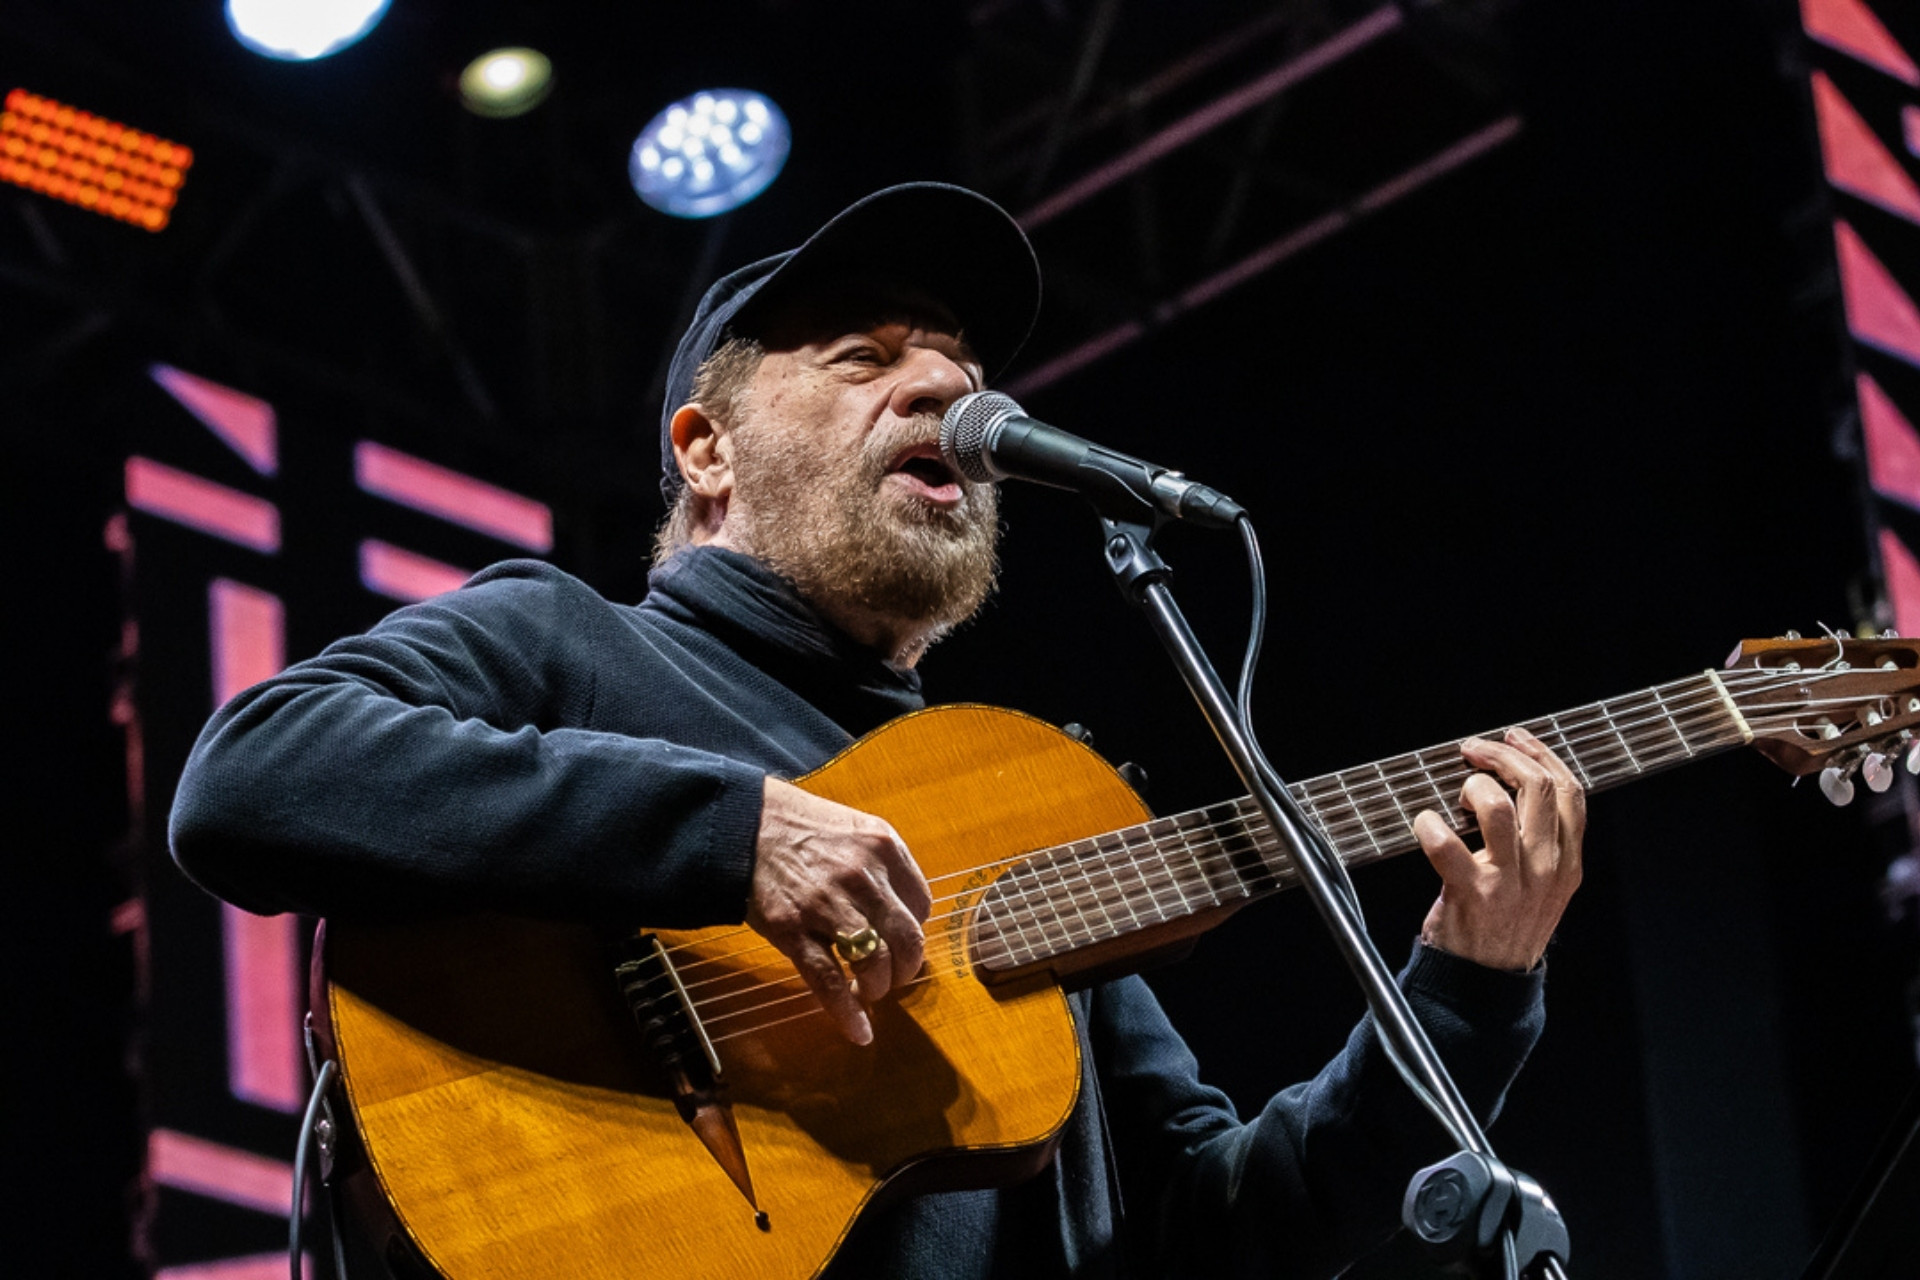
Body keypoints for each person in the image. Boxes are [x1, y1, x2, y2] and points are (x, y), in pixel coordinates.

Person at [170, 182, 1584, 1279]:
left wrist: (1464, 1000)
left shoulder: (1020, 793)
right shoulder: (569, 641)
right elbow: (251, 774)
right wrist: (731, 835)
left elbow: (1214, 1233)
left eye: (959, 367)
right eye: (862, 357)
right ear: (706, 452)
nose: (942, 390)